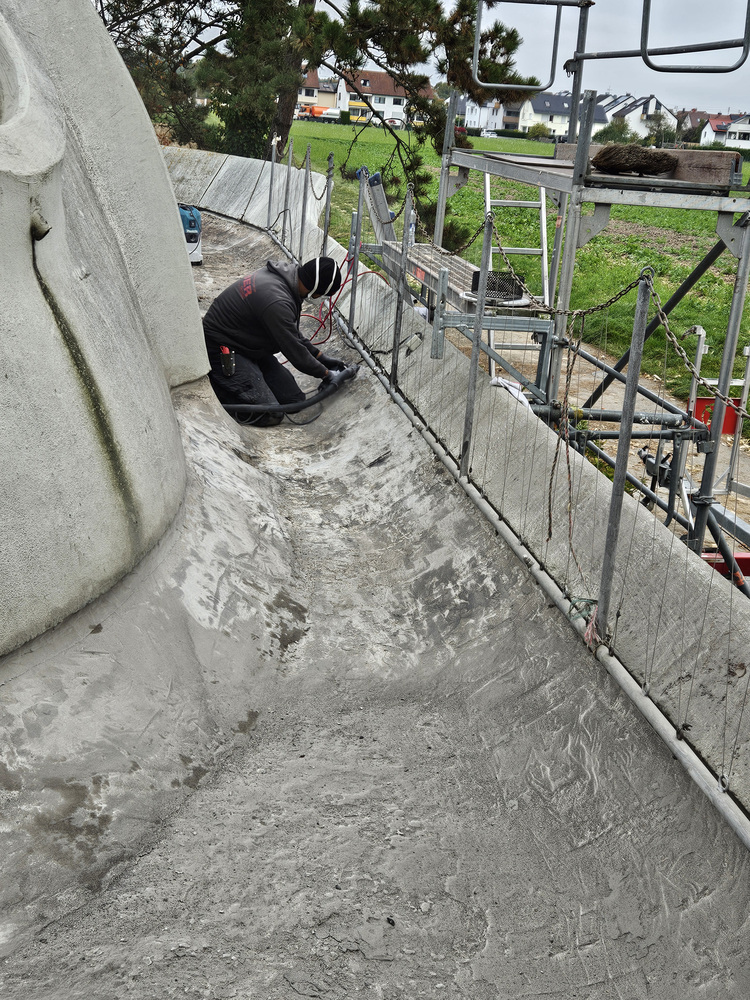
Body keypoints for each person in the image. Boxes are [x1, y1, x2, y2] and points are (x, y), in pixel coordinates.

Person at [202, 256, 348, 425]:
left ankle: (249, 375)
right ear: (316, 289)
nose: (323, 299)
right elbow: (295, 351)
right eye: (325, 295)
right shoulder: (277, 301)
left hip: (249, 346)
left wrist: (322, 358)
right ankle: (217, 386)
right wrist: (327, 374)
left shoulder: (286, 279)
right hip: (222, 346)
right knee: (269, 414)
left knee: (294, 401)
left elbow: (292, 334)